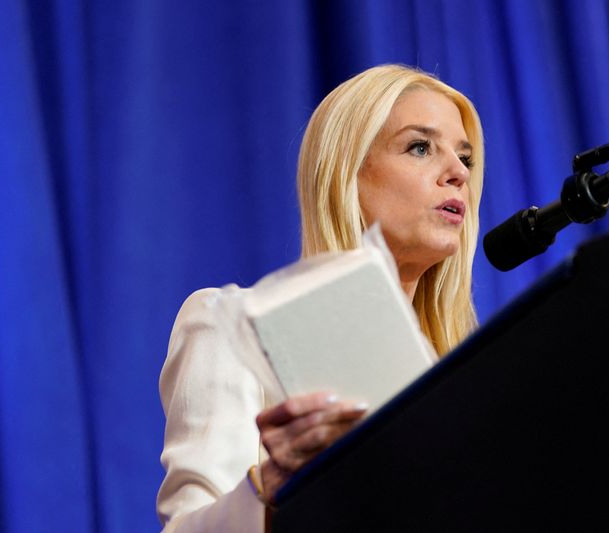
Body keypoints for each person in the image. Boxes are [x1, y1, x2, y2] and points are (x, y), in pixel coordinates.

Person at [156, 64, 485, 532]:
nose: (457, 173)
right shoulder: (234, 329)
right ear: (346, 173)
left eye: (465, 158)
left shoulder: (461, 379)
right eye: (420, 147)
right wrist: (269, 491)